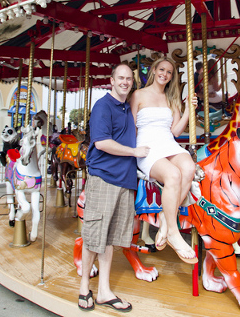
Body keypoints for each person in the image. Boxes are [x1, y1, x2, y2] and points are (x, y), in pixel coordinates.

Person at [78, 64, 150, 311]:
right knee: (94, 235)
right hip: (104, 176)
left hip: (125, 180)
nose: (125, 82)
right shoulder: (103, 106)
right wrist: (134, 152)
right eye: (121, 78)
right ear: (111, 80)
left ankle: (104, 291)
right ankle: (84, 288)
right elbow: (101, 143)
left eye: (129, 78)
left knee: (108, 238)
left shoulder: (126, 108)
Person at [129, 57, 199, 264]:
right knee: (173, 174)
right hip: (147, 146)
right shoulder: (138, 95)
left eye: (169, 72)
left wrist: (188, 110)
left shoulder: (171, 98)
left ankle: (164, 222)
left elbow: (175, 131)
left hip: (168, 143)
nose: (165, 74)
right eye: (162, 69)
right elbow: (131, 126)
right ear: (154, 70)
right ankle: (174, 233)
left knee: (188, 167)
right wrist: (132, 151)